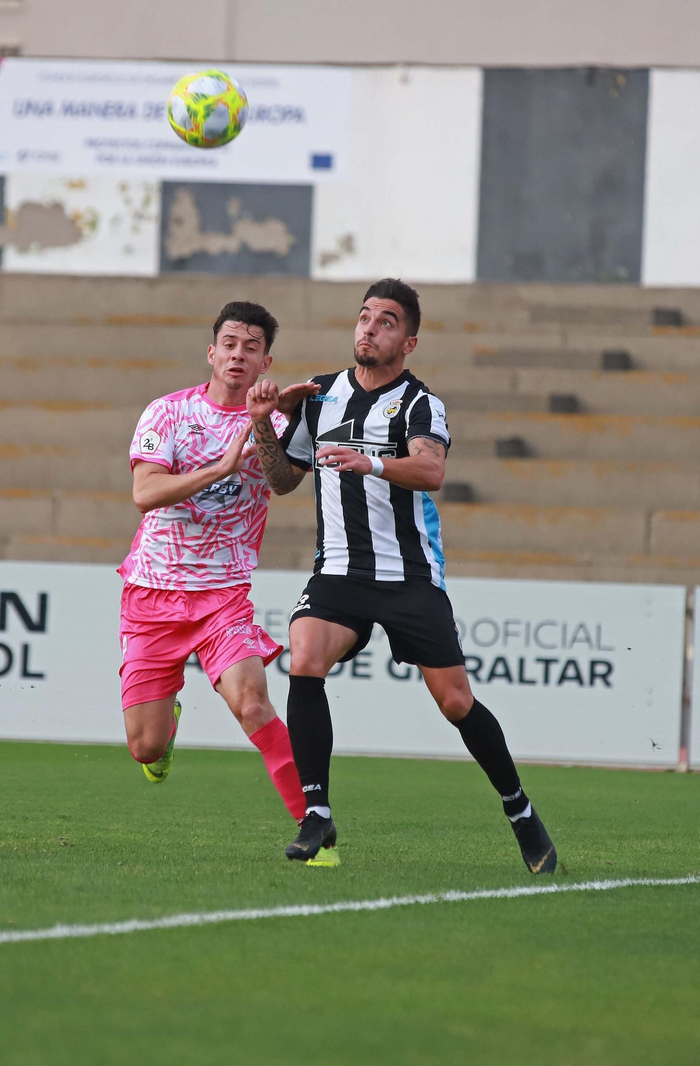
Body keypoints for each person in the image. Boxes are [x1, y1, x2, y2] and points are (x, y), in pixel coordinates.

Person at [245, 278, 559, 874]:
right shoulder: (320, 395)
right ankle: (317, 813)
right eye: (364, 317)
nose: (369, 328)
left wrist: (370, 462)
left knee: (455, 701)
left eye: (385, 321)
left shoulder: (420, 403)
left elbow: (432, 470)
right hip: (338, 570)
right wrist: (264, 422)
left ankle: (519, 811)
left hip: (409, 576)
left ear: (408, 341)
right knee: (305, 654)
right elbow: (285, 480)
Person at [117, 300, 314, 852]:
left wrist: (260, 426)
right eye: (229, 343)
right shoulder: (165, 413)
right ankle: (167, 728)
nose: (238, 354)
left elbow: (281, 484)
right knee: (145, 749)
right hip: (152, 591)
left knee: (252, 704)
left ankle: (315, 830)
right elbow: (145, 493)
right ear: (211, 352)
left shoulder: (274, 423)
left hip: (223, 594)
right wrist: (221, 468)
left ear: (264, 362)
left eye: (251, 347)